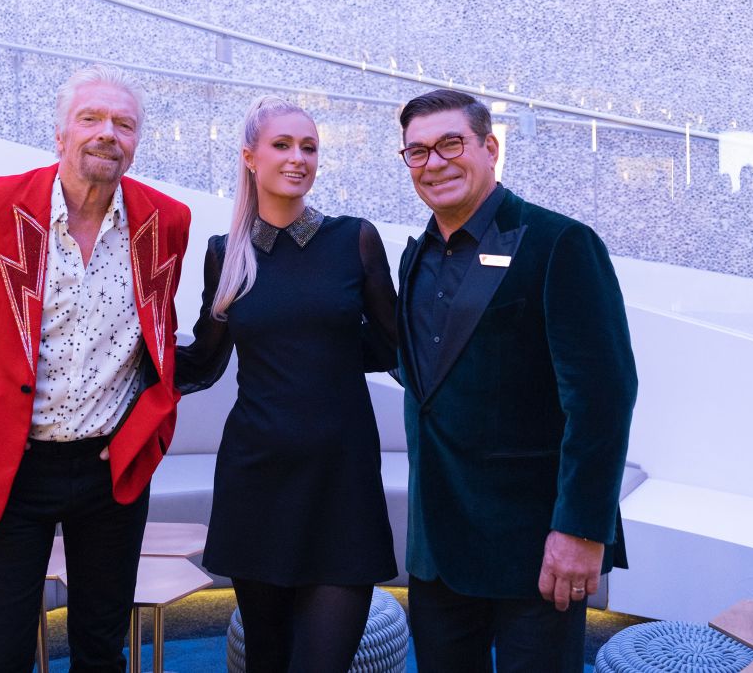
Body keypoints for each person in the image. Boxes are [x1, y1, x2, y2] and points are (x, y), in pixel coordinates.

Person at [0, 64, 190, 672]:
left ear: (136, 142)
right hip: (14, 467)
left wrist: (151, 429)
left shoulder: (167, 222)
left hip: (111, 467)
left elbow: (156, 338)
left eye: (123, 123)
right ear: (59, 135)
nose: (107, 133)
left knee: (99, 650)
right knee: (2, 653)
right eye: (90, 119)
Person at [394, 89, 637, 672]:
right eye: (417, 152)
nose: (435, 162)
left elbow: (603, 398)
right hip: (437, 548)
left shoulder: (558, 243)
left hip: (536, 549)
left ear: (489, 147)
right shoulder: (415, 256)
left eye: (451, 143)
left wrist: (580, 529)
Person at [175, 95, 398, 672]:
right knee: (266, 662)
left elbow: (395, 346)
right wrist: (121, 355)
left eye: (309, 147)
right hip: (258, 482)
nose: (298, 158)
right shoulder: (226, 253)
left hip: (341, 481)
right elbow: (204, 360)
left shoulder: (355, 239)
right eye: (282, 145)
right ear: (250, 157)